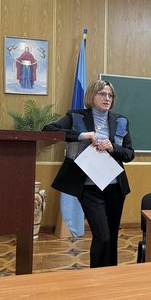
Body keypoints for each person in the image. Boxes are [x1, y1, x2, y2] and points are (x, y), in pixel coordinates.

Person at [42, 79, 134, 268]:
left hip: (115, 188)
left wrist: (113, 147)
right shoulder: (76, 116)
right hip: (88, 188)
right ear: (91, 96)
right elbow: (49, 130)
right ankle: (97, 276)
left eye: (110, 95)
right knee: (102, 235)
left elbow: (129, 154)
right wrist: (83, 136)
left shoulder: (121, 121)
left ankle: (110, 275)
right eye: (102, 94)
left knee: (111, 236)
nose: (107, 98)